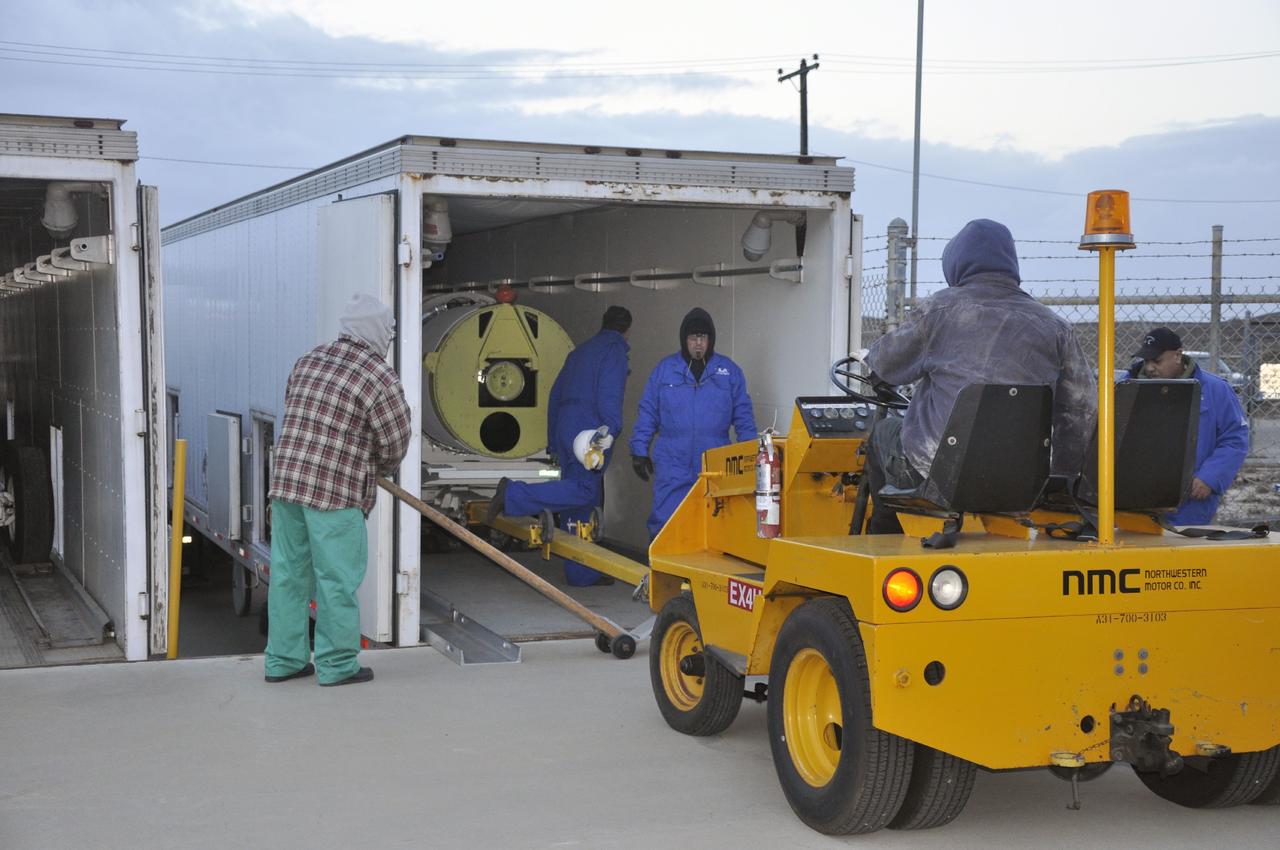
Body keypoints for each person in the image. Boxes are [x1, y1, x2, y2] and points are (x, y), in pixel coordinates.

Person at [862, 218, 1096, 532]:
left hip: (936, 472)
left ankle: (885, 534)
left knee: (882, 434)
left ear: (956, 263)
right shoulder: (1054, 326)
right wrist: (1063, 480)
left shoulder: (940, 311)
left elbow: (884, 365)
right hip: (1022, 479)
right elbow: (1080, 409)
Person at [265, 293, 411, 686]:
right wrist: (374, 468)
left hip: (287, 486)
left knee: (288, 576)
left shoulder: (308, 360)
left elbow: (296, 413)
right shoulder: (378, 376)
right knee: (336, 580)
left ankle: (283, 661)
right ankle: (337, 665)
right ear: (380, 333)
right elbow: (396, 441)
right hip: (335, 494)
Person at [489, 306, 632, 586]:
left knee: (577, 504)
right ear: (627, 331)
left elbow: (555, 395)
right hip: (589, 429)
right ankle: (513, 494)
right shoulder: (614, 351)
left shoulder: (579, 353)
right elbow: (609, 395)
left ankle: (582, 574)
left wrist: (554, 439)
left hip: (566, 426)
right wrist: (609, 431)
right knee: (585, 489)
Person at [629, 307, 756, 538]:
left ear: (711, 340)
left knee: (717, 523)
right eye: (693, 337)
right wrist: (639, 450)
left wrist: (751, 456)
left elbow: (744, 417)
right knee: (666, 521)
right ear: (683, 339)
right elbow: (648, 411)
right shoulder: (665, 370)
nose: (698, 343)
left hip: (715, 461)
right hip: (672, 460)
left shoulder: (728, 372)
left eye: (703, 337)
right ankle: (661, 569)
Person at [1127, 326, 1248, 524]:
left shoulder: (1214, 390)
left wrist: (1210, 477)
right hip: (1134, 503)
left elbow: (1235, 439)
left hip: (1189, 505)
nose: (1149, 367)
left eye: (1156, 361)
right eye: (1146, 360)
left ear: (1178, 355)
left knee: (1184, 552)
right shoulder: (1127, 387)